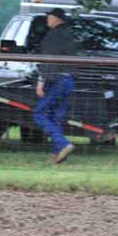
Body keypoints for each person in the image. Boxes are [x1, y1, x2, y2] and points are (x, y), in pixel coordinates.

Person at [33, 8, 79, 164]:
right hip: (69, 80)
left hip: (56, 81)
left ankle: (63, 144)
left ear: (56, 18)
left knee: (39, 114)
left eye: (49, 16)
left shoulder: (52, 36)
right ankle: (58, 154)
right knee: (56, 117)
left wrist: (40, 82)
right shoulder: (70, 34)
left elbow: (48, 61)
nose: (47, 19)